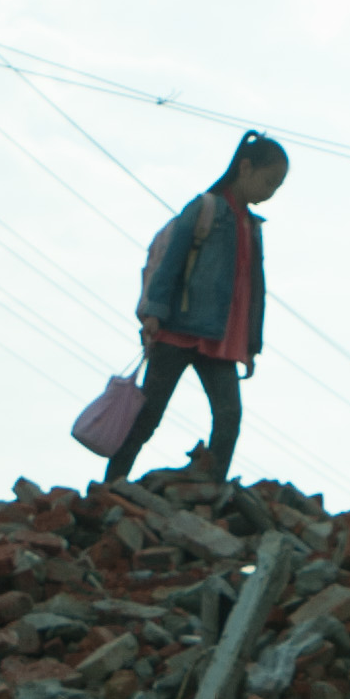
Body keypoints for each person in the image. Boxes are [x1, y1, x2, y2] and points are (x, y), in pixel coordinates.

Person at [107, 134, 285, 487]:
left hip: (221, 342)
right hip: (177, 330)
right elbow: (170, 262)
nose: (270, 193)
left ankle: (211, 490)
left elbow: (253, 294)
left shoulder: (252, 227)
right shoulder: (206, 209)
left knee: (229, 416)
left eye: (276, 187)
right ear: (245, 167)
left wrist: (251, 345)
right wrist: (154, 314)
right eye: (268, 182)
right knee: (148, 415)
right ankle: (112, 484)